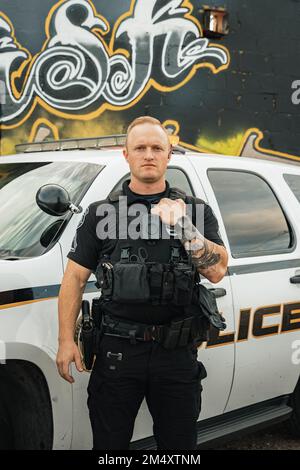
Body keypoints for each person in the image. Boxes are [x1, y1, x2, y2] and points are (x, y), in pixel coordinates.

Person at [56, 116, 228, 450]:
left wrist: (184, 227)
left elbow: (217, 270)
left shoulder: (194, 210)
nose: (148, 154)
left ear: (168, 155)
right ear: (126, 155)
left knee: (178, 447)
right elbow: (74, 278)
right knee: (109, 445)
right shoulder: (100, 213)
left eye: (156, 148)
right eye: (140, 148)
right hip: (116, 353)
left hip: (176, 354)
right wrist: (65, 339)